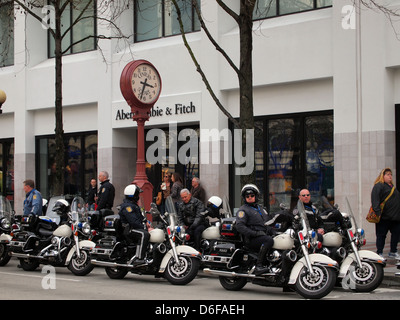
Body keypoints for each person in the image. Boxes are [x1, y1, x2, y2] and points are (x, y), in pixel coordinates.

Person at [235, 184, 275, 275]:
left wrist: (275, 232)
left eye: (252, 195)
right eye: (247, 196)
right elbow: (240, 226)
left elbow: (267, 223)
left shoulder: (261, 209)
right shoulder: (243, 210)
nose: (250, 197)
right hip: (251, 239)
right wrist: (255, 233)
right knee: (268, 240)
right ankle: (259, 266)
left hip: (262, 235)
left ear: (256, 196)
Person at [371, 168, 400, 259]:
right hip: (384, 217)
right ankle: (379, 252)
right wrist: (378, 212)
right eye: (387, 174)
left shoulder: (392, 187)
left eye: (390, 174)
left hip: (395, 217)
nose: (390, 176)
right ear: (382, 176)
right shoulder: (379, 186)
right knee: (381, 235)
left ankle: (393, 251)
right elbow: (375, 200)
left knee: (396, 234)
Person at [118, 184, 151, 265]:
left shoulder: (133, 205)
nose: (138, 196)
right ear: (133, 195)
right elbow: (133, 221)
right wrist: (144, 227)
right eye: (137, 194)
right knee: (144, 234)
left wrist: (146, 222)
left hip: (134, 228)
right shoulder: (127, 207)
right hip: (129, 229)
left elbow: (140, 217)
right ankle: (139, 258)